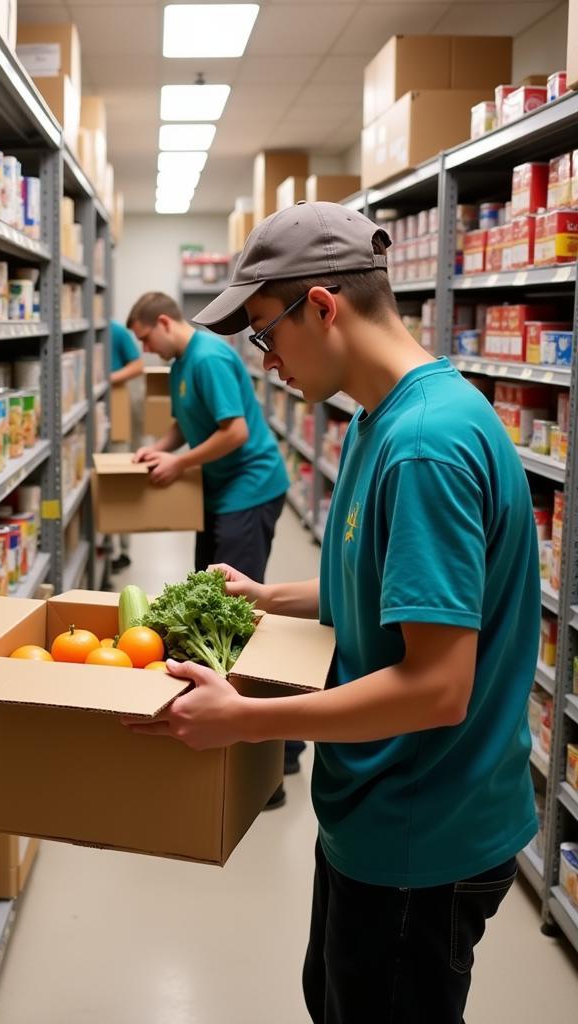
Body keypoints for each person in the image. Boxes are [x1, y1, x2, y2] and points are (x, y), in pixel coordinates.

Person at [128, 202, 538, 1023]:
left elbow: (436, 688)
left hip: (422, 831)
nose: (265, 359)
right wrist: (267, 595)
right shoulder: (375, 421)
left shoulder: (425, 446)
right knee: (335, 998)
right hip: (376, 807)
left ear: (322, 305)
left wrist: (246, 721)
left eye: (264, 332)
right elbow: (388, 589)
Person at [126, 292, 288, 583]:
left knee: (234, 595)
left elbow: (236, 432)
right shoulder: (179, 365)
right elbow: (184, 424)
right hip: (217, 489)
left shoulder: (208, 358)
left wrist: (178, 464)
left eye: (146, 338)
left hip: (250, 486)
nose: (145, 348)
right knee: (205, 585)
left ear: (164, 323)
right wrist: (156, 449)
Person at [107, 319, 145, 571]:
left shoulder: (116, 331)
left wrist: (108, 379)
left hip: (118, 411)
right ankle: (106, 545)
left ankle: (123, 550)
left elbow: (138, 364)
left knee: (118, 481)